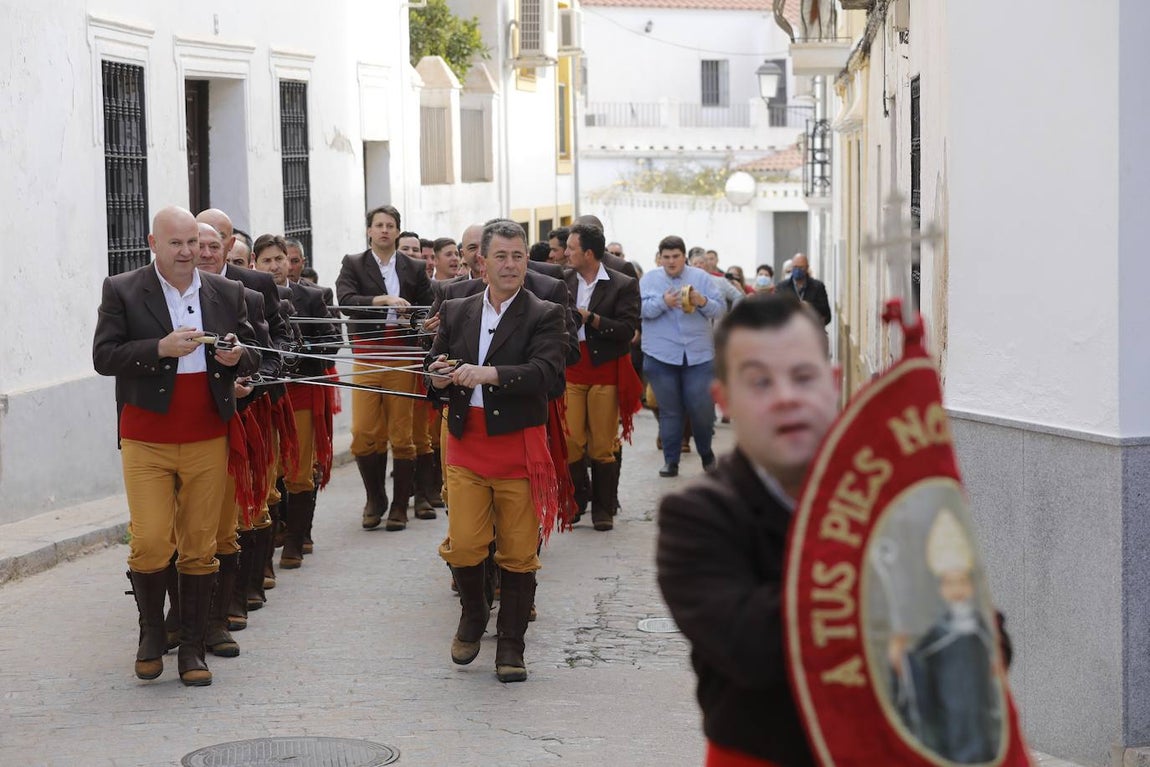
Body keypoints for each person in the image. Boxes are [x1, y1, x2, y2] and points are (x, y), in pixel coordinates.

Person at [656, 295, 839, 765]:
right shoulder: (697, 516)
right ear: (724, 400)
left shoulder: (895, 495)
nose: (785, 398)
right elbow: (753, 649)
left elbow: (986, 647)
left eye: (803, 376)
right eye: (759, 382)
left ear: (833, 383)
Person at [93, 205, 259, 686]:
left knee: (199, 544)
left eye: (193, 242)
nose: (188, 252)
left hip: (208, 433)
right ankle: (150, 631)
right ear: (153, 243)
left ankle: (191, 646)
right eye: (177, 243)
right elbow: (105, 356)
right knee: (149, 541)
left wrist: (235, 356)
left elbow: (248, 348)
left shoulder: (228, 291)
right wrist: (159, 349)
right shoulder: (123, 290)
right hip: (147, 436)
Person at [426, 220, 566, 683]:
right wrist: (438, 377)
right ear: (481, 263)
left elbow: (549, 374)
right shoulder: (456, 307)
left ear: (527, 260)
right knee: (465, 543)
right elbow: (435, 364)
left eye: (519, 256)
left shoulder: (544, 311)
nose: (510, 265)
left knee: (519, 551)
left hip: (519, 446)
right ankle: (473, 613)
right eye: (501, 257)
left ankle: (511, 646)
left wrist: (490, 375)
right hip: (467, 442)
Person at [336, 205, 435, 532]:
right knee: (364, 433)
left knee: (402, 435)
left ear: (397, 230)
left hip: (402, 356)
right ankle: (375, 497)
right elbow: (346, 301)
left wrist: (414, 320)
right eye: (378, 225)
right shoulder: (353, 263)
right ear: (369, 230)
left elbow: (427, 308)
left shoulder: (414, 266)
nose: (384, 230)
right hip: (367, 354)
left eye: (390, 225)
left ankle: (398, 505)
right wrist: (381, 300)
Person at [563, 223, 640, 531]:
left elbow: (626, 330)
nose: (566, 253)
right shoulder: (563, 280)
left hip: (605, 371)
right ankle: (581, 496)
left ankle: (603, 508)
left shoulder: (622, 282)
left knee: (601, 445)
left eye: (571, 248)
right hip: (572, 368)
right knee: (571, 441)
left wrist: (590, 318)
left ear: (589, 253)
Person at [639, 236, 724, 477]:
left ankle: (707, 454)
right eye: (666, 257)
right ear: (660, 257)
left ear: (684, 257)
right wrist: (663, 302)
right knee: (670, 410)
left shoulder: (701, 278)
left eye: (675, 256)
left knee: (702, 407)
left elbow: (720, 309)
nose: (671, 261)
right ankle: (671, 461)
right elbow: (639, 309)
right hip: (661, 355)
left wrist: (702, 301)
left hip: (698, 355)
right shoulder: (649, 280)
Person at [775, 253, 831, 326]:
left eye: (801, 267)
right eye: (795, 267)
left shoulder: (818, 286)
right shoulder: (782, 287)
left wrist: (809, 306)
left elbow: (826, 313)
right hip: (788, 330)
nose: (798, 270)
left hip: (811, 330)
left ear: (807, 268)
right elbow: (776, 310)